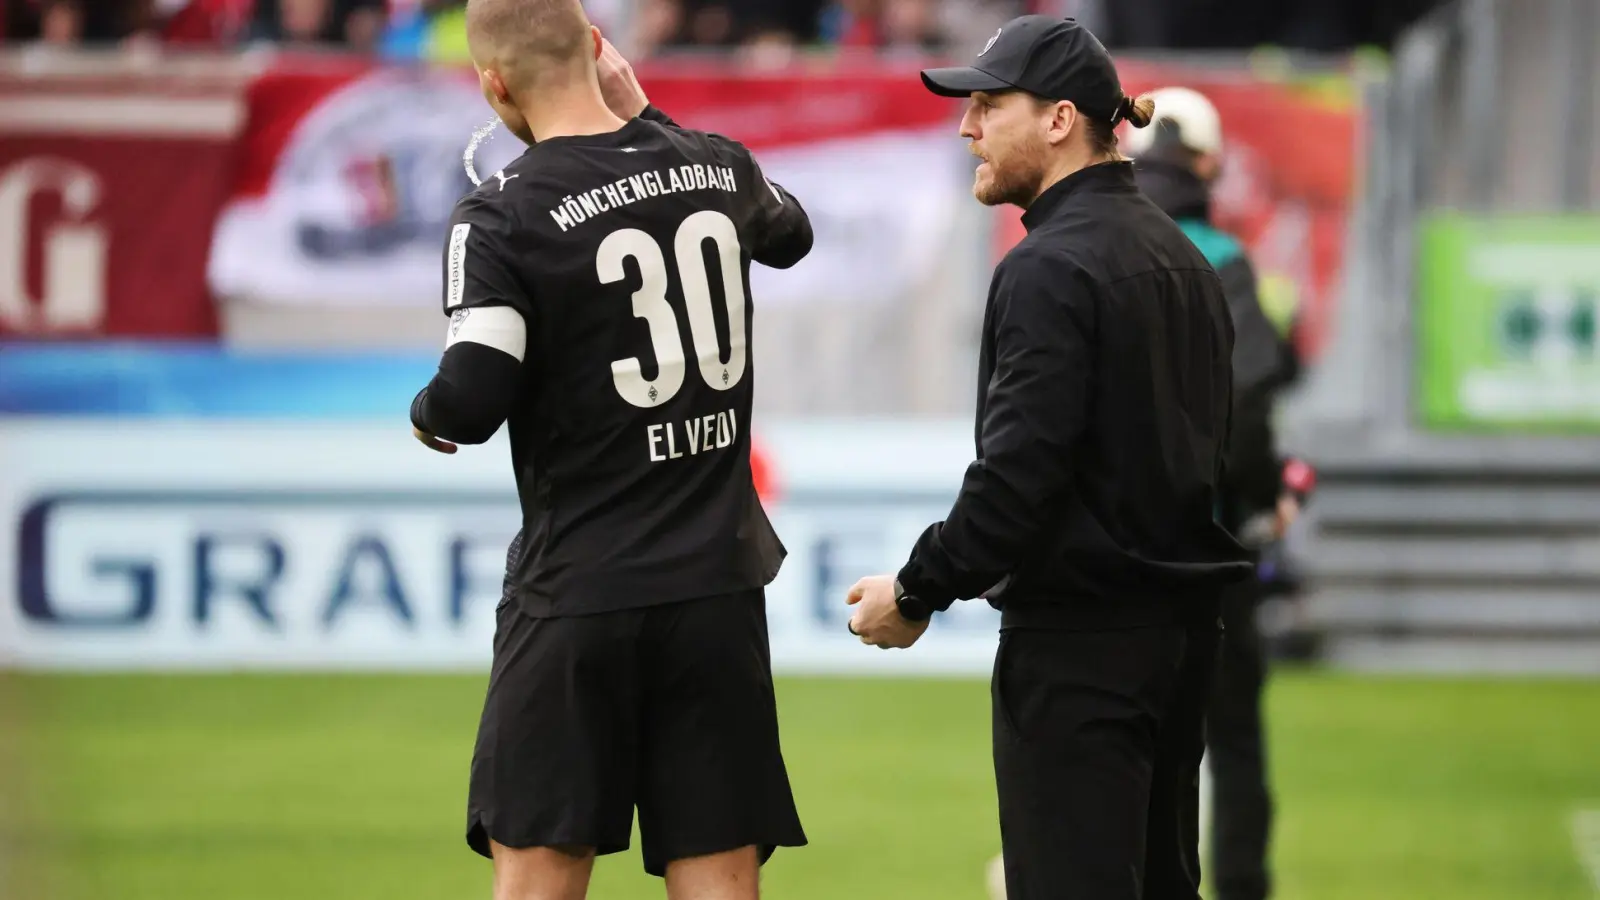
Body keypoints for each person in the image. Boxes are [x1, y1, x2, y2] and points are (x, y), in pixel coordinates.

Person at [408, 1, 814, 897]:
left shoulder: (502, 213)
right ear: (599, 52)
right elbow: (793, 233)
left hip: (578, 594)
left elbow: (470, 398)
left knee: (541, 877)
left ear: (494, 84)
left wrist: (424, 413)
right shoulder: (714, 163)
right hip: (715, 591)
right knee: (722, 881)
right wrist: (650, 121)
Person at [844, 15, 1254, 900]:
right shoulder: (1187, 262)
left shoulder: (1048, 267)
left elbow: (1019, 476)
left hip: (1083, 651)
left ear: (1060, 118)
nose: (968, 127)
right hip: (1182, 640)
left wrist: (915, 590)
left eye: (989, 105)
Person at [1125, 86, 1304, 900]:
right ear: (1207, 163)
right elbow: (1250, 400)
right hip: (1209, 547)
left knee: (1117, 746)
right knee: (1230, 743)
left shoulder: (1092, 244)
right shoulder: (1224, 262)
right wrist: (1267, 496)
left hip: (1105, 554)